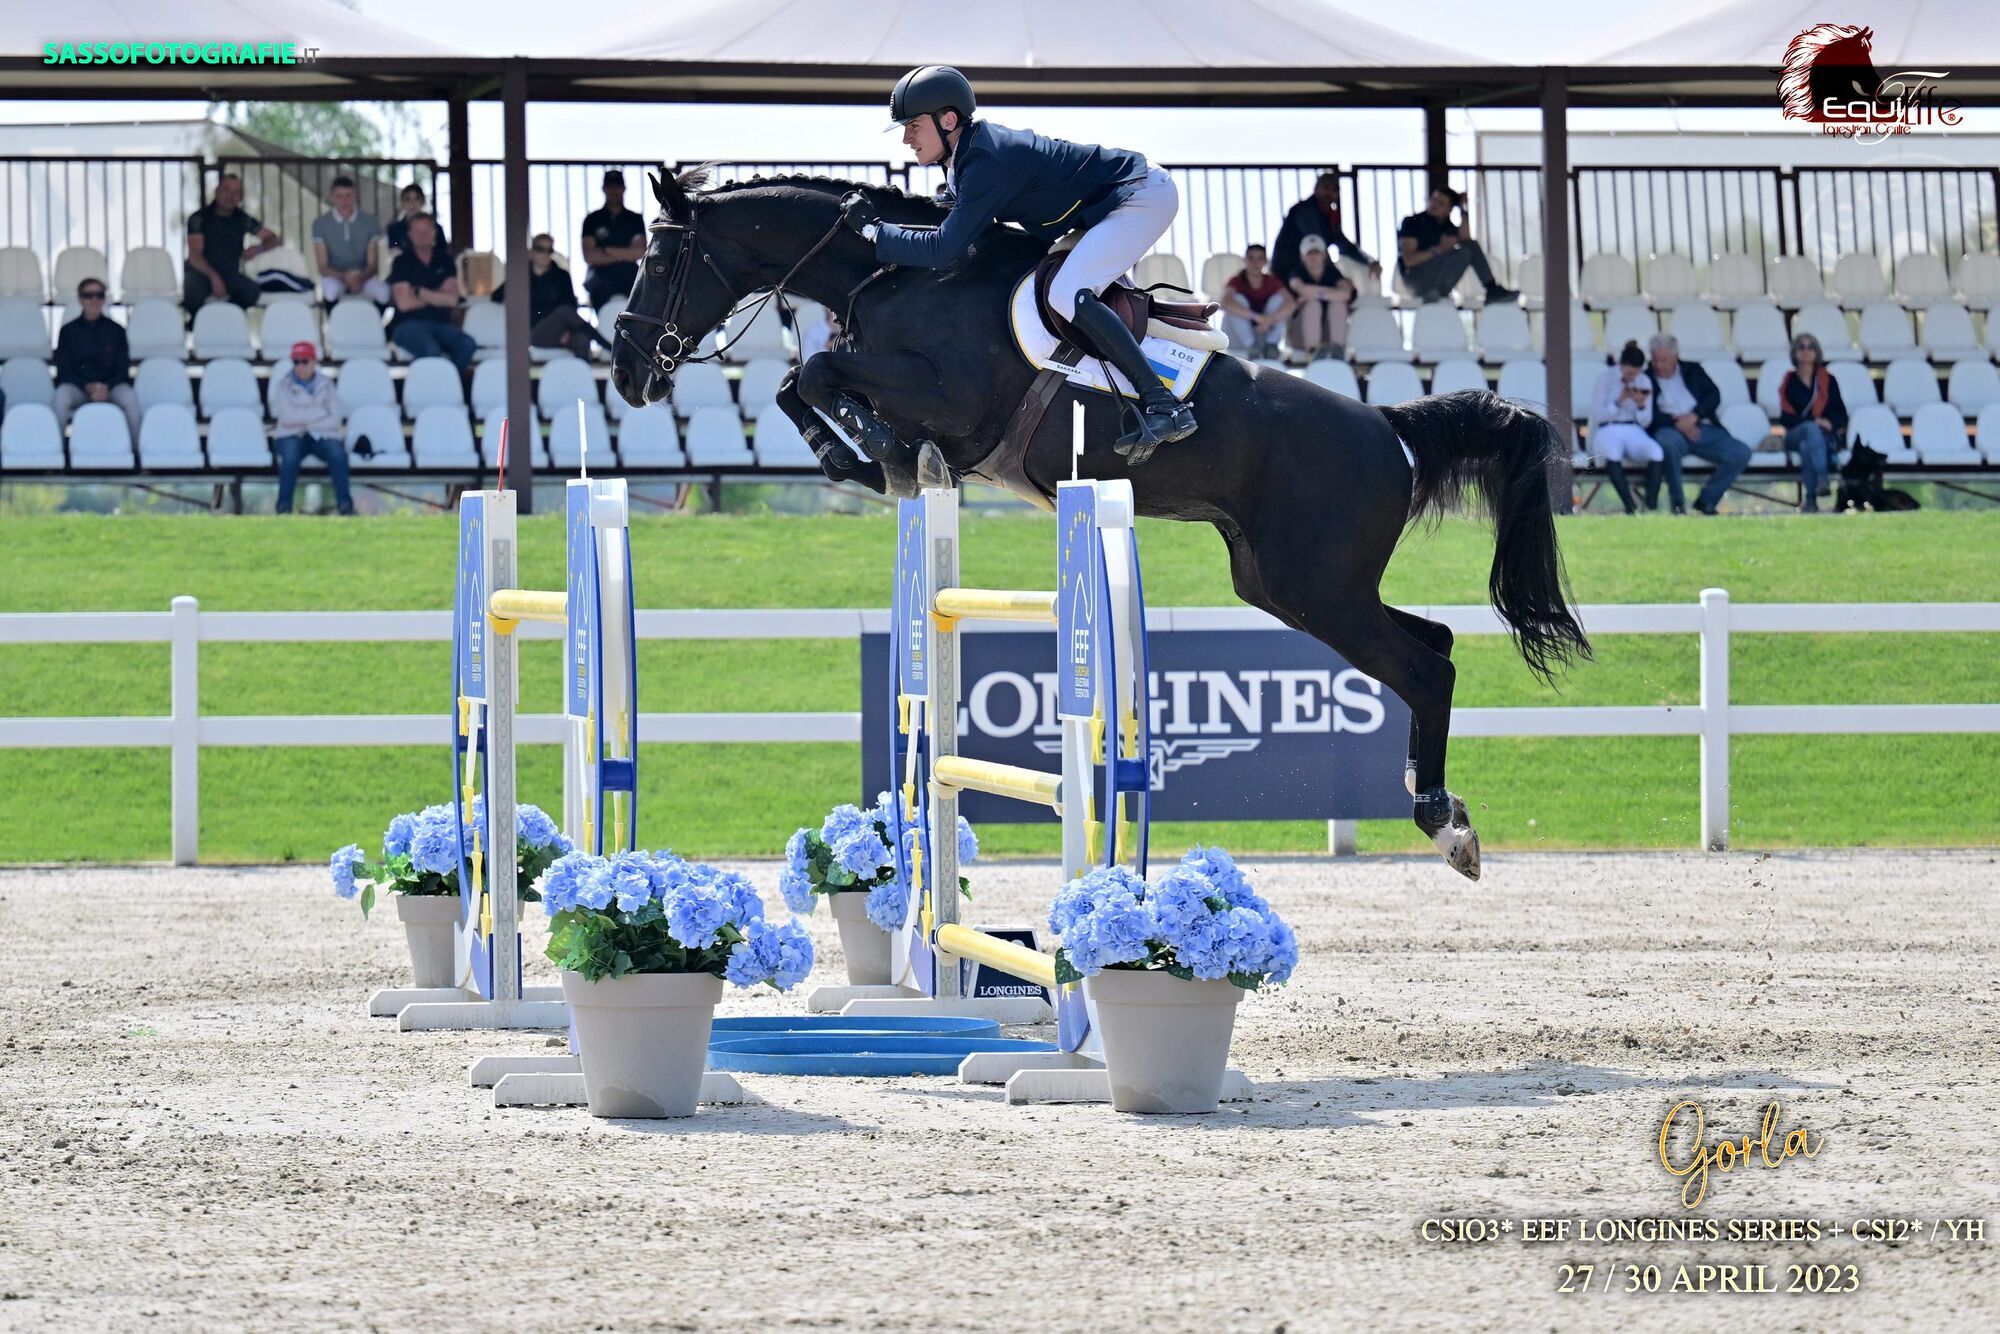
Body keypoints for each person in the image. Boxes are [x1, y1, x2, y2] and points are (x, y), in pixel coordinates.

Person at [841, 65, 1195, 457]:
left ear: (948, 120)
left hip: (1140, 196)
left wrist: (876, 232)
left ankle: (1164, 404)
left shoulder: (985, 160)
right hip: (1107, 206)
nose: (907, 138)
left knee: (1067, 292)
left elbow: (944, 250)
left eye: (913, 125)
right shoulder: (966, 157)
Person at [1645, 332, 1752, 515]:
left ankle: (1707, 500)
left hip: (1701, 426)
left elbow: (1713, 395)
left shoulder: (1693, 370)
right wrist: (1676, 422)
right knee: (1667, 445)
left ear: (1675, 357)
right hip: (1669, 429)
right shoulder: (1646, 377)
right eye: (1655, 360)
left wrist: (1694, 416)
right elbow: (1646, 413)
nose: (1659, 365)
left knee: (1740, 452)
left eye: (1664, 360)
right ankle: (1677, 503)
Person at [492, 233, 612, 358]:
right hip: (534, 333)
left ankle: (583, 375)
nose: (545, 254)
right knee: (564, 311)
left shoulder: (561, 276)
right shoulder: (521, 276)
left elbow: (571, 305)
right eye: (540, 249)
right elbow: (496, 297)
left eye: (549, 250)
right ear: (531, 252)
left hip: (563, 331)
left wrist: (567, 330)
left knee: (581, 338)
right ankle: (611, 348)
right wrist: (515, 275)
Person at [269, 342, 354, 515]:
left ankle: (345, 506)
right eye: (296, 362)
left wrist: (303, 417)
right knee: (290, 457)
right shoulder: (283, 385)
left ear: (314, 362)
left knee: (337, 454)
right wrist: (318, 413)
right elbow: (287, 418)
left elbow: (335, 419)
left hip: (321, 435)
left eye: (304, 361)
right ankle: (283, 507)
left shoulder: (327, 384)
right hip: (291, 435)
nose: (300, 366)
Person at [52, 277, 143, 438]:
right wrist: (87, 387)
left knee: (129, 397)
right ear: (80, 299)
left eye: (99, 295)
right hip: (79, 387)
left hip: (111, 387)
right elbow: (64, 369)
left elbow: (122, 368)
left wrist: (106, 387)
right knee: (61, 397)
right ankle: (56, 448)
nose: (94, 300)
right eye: (88, 295)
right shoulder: (67, 331)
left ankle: (137, 452)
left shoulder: (117, 330)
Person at [1395, 187, 1516, 306]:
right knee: (1465, 250)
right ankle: (1433, 292)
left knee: (1468, 248)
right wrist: (1439, 249)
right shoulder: (1413, 222)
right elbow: (1409, 261)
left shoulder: (1447, 226)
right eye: (1434, 200)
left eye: (1441, 203)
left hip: (1438, 282)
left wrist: (1463, 209)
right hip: (1416, 280)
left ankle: (1491, 288)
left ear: (1448, 210)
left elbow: (1467, 239)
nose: (1435, 204)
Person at [387, 213, 476, 371]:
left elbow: (452, 300)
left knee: (467, 344)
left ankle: (448, 384)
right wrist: (438, 295)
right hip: (407, 325)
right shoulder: (401, 262)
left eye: (427, 231)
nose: (423, 236)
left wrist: (420, 292)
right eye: (418, 232)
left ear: (434, 233)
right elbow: (404, 304)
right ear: (410, 235)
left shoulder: (446, 260)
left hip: (442, 324)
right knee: (431, 350)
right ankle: (439, 389)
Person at [183, 173, 279, 317]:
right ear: (217, 191)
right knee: (192, 293)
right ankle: (197, 324)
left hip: (229, 274)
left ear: (240, 198)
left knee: (252, 292)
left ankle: (228, 318)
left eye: (236, 192)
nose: (230, 196)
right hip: (201, 273)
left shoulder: (242, 219)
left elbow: (274, 238)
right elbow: (194, 255)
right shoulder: (198, 218)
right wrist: (213, 277)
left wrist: (258, 249)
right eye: (226, 190)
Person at [1587, 340, 1665, 514]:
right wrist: (1617, 403)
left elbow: (1646, 421)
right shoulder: (1605, 378)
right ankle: (1630, 506)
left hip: (1633, 428)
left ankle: (1650, 506)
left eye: (1635, 374)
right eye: (1628, 373)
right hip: (1607, 428)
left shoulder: (1643, 380)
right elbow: (1598, 414)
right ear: (1621, 365)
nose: (1631, 378)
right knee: (1612, 453)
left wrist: (1641, 405)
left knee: (1656, 452)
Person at [1775, 332, 1847, 513]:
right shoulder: (1788, 382)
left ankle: (1811, 500)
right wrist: (1815, 422)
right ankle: (1822, 477)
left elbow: (1841, 414)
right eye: (1801, 347)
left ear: (1817, 352)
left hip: (1823, 436)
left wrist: (1829, 423)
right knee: (1809, 429)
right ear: (1794, 353)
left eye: (1810, 347)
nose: (1806, 351)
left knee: (1808, 446)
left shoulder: (1828, 380)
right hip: (1795, 434)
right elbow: (1786, 418)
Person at [1271, 172, 1379, 287]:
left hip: (1307, 273)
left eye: (1334, 190)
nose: (1329, 193)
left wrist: (1370, 261)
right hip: (1287, 274)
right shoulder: (1305, 210)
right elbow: (1315, 245)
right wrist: (1338, 279)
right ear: (1316, 189)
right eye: (1326, 188)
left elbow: (1346, 247)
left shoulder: (1328, 217)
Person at [312, 175, 389, 305]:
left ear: (355, 196)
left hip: (363, 276)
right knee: (330, 292)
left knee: (384, 293)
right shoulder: (320, 224)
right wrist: (344, 277)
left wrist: (359, 278)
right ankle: (335, 324)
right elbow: (323, 267)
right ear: (332, 197)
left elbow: (373, 264)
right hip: (335, 276)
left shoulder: (370, 221)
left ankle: (374, 323)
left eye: (348, 195)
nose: (344, 200)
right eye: (339, 196)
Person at [580, 169, 646, 311]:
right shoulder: (592, 219)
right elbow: (590, 256)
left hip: (629, 277)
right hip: (601, 280)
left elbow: (640, 251)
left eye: (617, 186)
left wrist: (606, 250)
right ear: (604, 189)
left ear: (624, 189)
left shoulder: (634, 219)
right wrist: (625, 254)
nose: (614, 190)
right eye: (610, 186)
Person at [1284, 234, 1352, 363]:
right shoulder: (1296, 272)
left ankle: (1337, 350)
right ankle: (1313, 352)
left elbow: (1346, 293)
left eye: (1317, 252)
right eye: (1309, 253)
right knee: (1313, 305)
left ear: (1324, 255)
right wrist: (1332, 293)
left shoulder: (1332, 272)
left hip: (1327, 333)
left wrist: (1317, 293)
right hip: (1300, 335)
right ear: (1303, 256)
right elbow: (1301, 288)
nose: (1313, 256)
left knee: (1337, 304)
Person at [1220, 244, 1293, 360]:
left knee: (1279, 300)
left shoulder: (1271, 281)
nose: (1255, 263)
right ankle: (1250, 345)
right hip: (1239, 340)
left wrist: (1270, 319)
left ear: (1265, 261)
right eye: (1251, 258)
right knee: (1237, 300)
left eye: (1260, 258)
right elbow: (1225, 302)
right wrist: (1257, 317)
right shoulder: (1236, 281)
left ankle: (1271, 346)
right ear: (1245, 260)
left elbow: (1291, 303)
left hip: (1263, 335)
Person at [385, 182, 448, 254]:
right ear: (402, 203)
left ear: (423, 202)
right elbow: (394, 252)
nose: (412, 203)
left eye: (416, 198)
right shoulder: (394, 229)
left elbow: (443, 253)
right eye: (408, 199)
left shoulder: (436, 228)